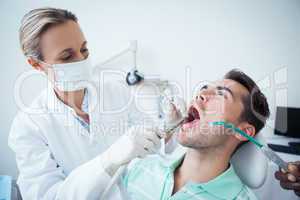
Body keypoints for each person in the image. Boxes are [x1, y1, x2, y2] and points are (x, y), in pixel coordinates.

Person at [8, 7, 184, 200]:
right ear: (36, 64)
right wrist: (108, 161)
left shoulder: (115, 91)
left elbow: (150, 146)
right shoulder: (29, 126)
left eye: (84, 50)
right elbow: (48, 196)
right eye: (67, 56)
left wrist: (169, 128)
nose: (81, 60)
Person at [120, 69, 270, 199]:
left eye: (221, 95)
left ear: (243, 131)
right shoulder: (140, 168)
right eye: (204, 88)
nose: (201, 93)